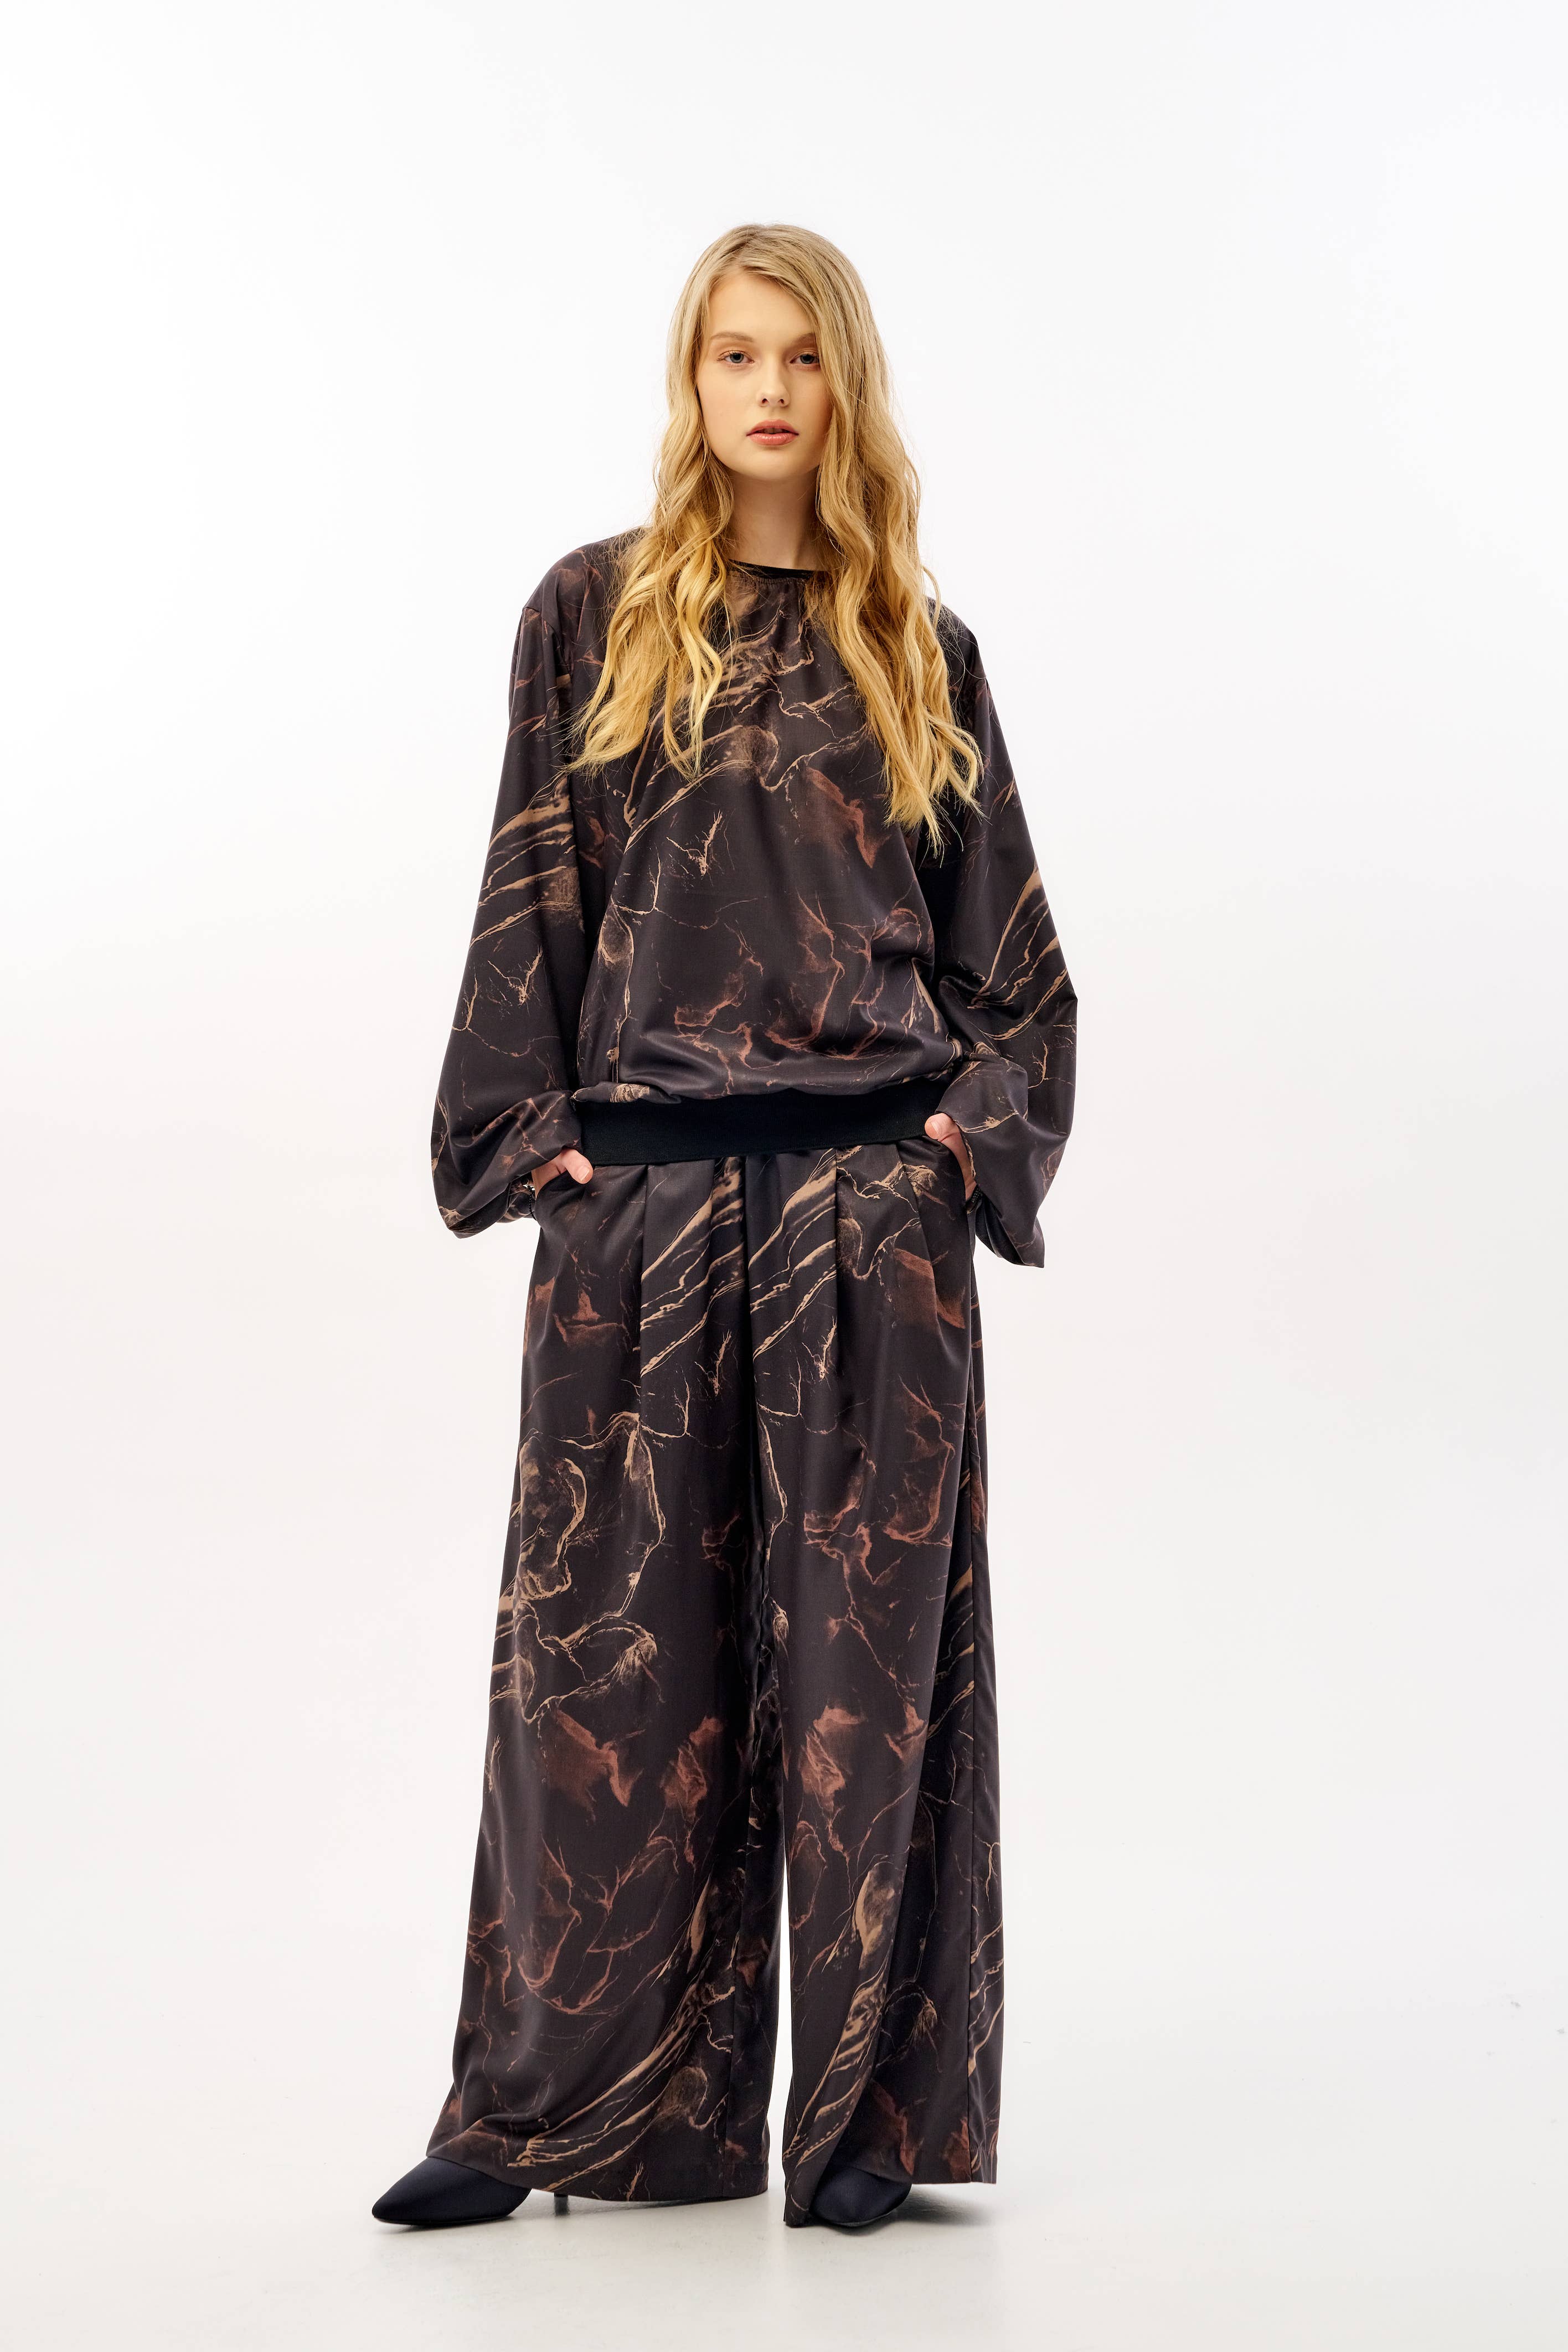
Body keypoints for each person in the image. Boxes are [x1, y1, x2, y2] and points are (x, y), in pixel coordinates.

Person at [373, 221, 1076, 2236]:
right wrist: (535, 1146)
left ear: (848, 384)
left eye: (802, 356)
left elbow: (1019, 974)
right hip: (650, 1217)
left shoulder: (922, 650)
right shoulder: (590, 618)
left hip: (868, 1222)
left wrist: (956, 1144)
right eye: (732, 355)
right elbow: (529, 893)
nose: (768, 390)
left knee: (870, 1691)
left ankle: (860, 2126)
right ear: (691, 384)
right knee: (601, 1680)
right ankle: (560, 2118)